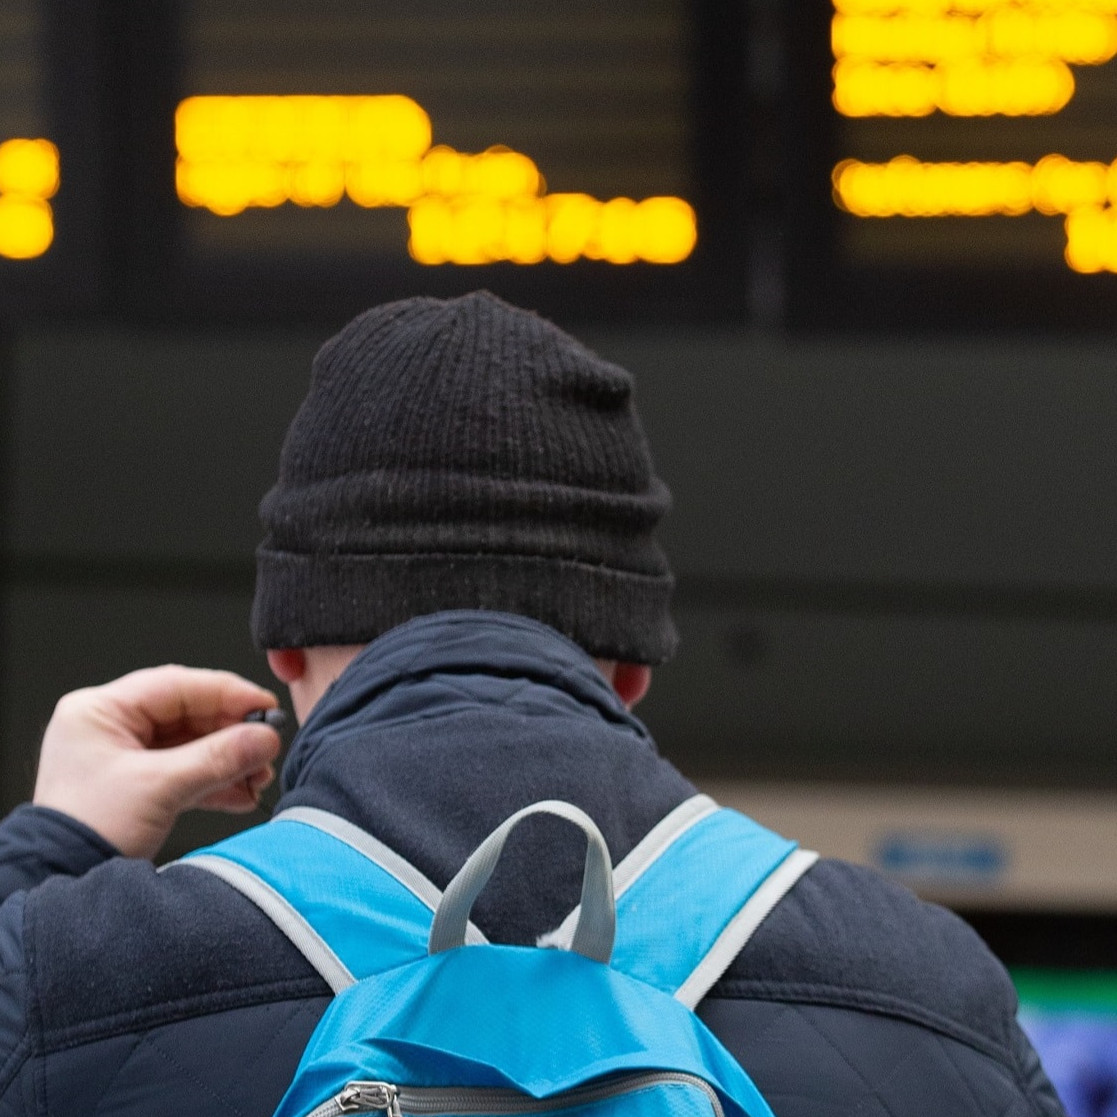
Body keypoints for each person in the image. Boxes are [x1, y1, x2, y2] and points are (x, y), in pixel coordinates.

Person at [0, 292, 1064, 1116]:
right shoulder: (926, 987)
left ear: (284, 650)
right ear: (631, 663)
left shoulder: (71, 975)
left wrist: (51, 851)